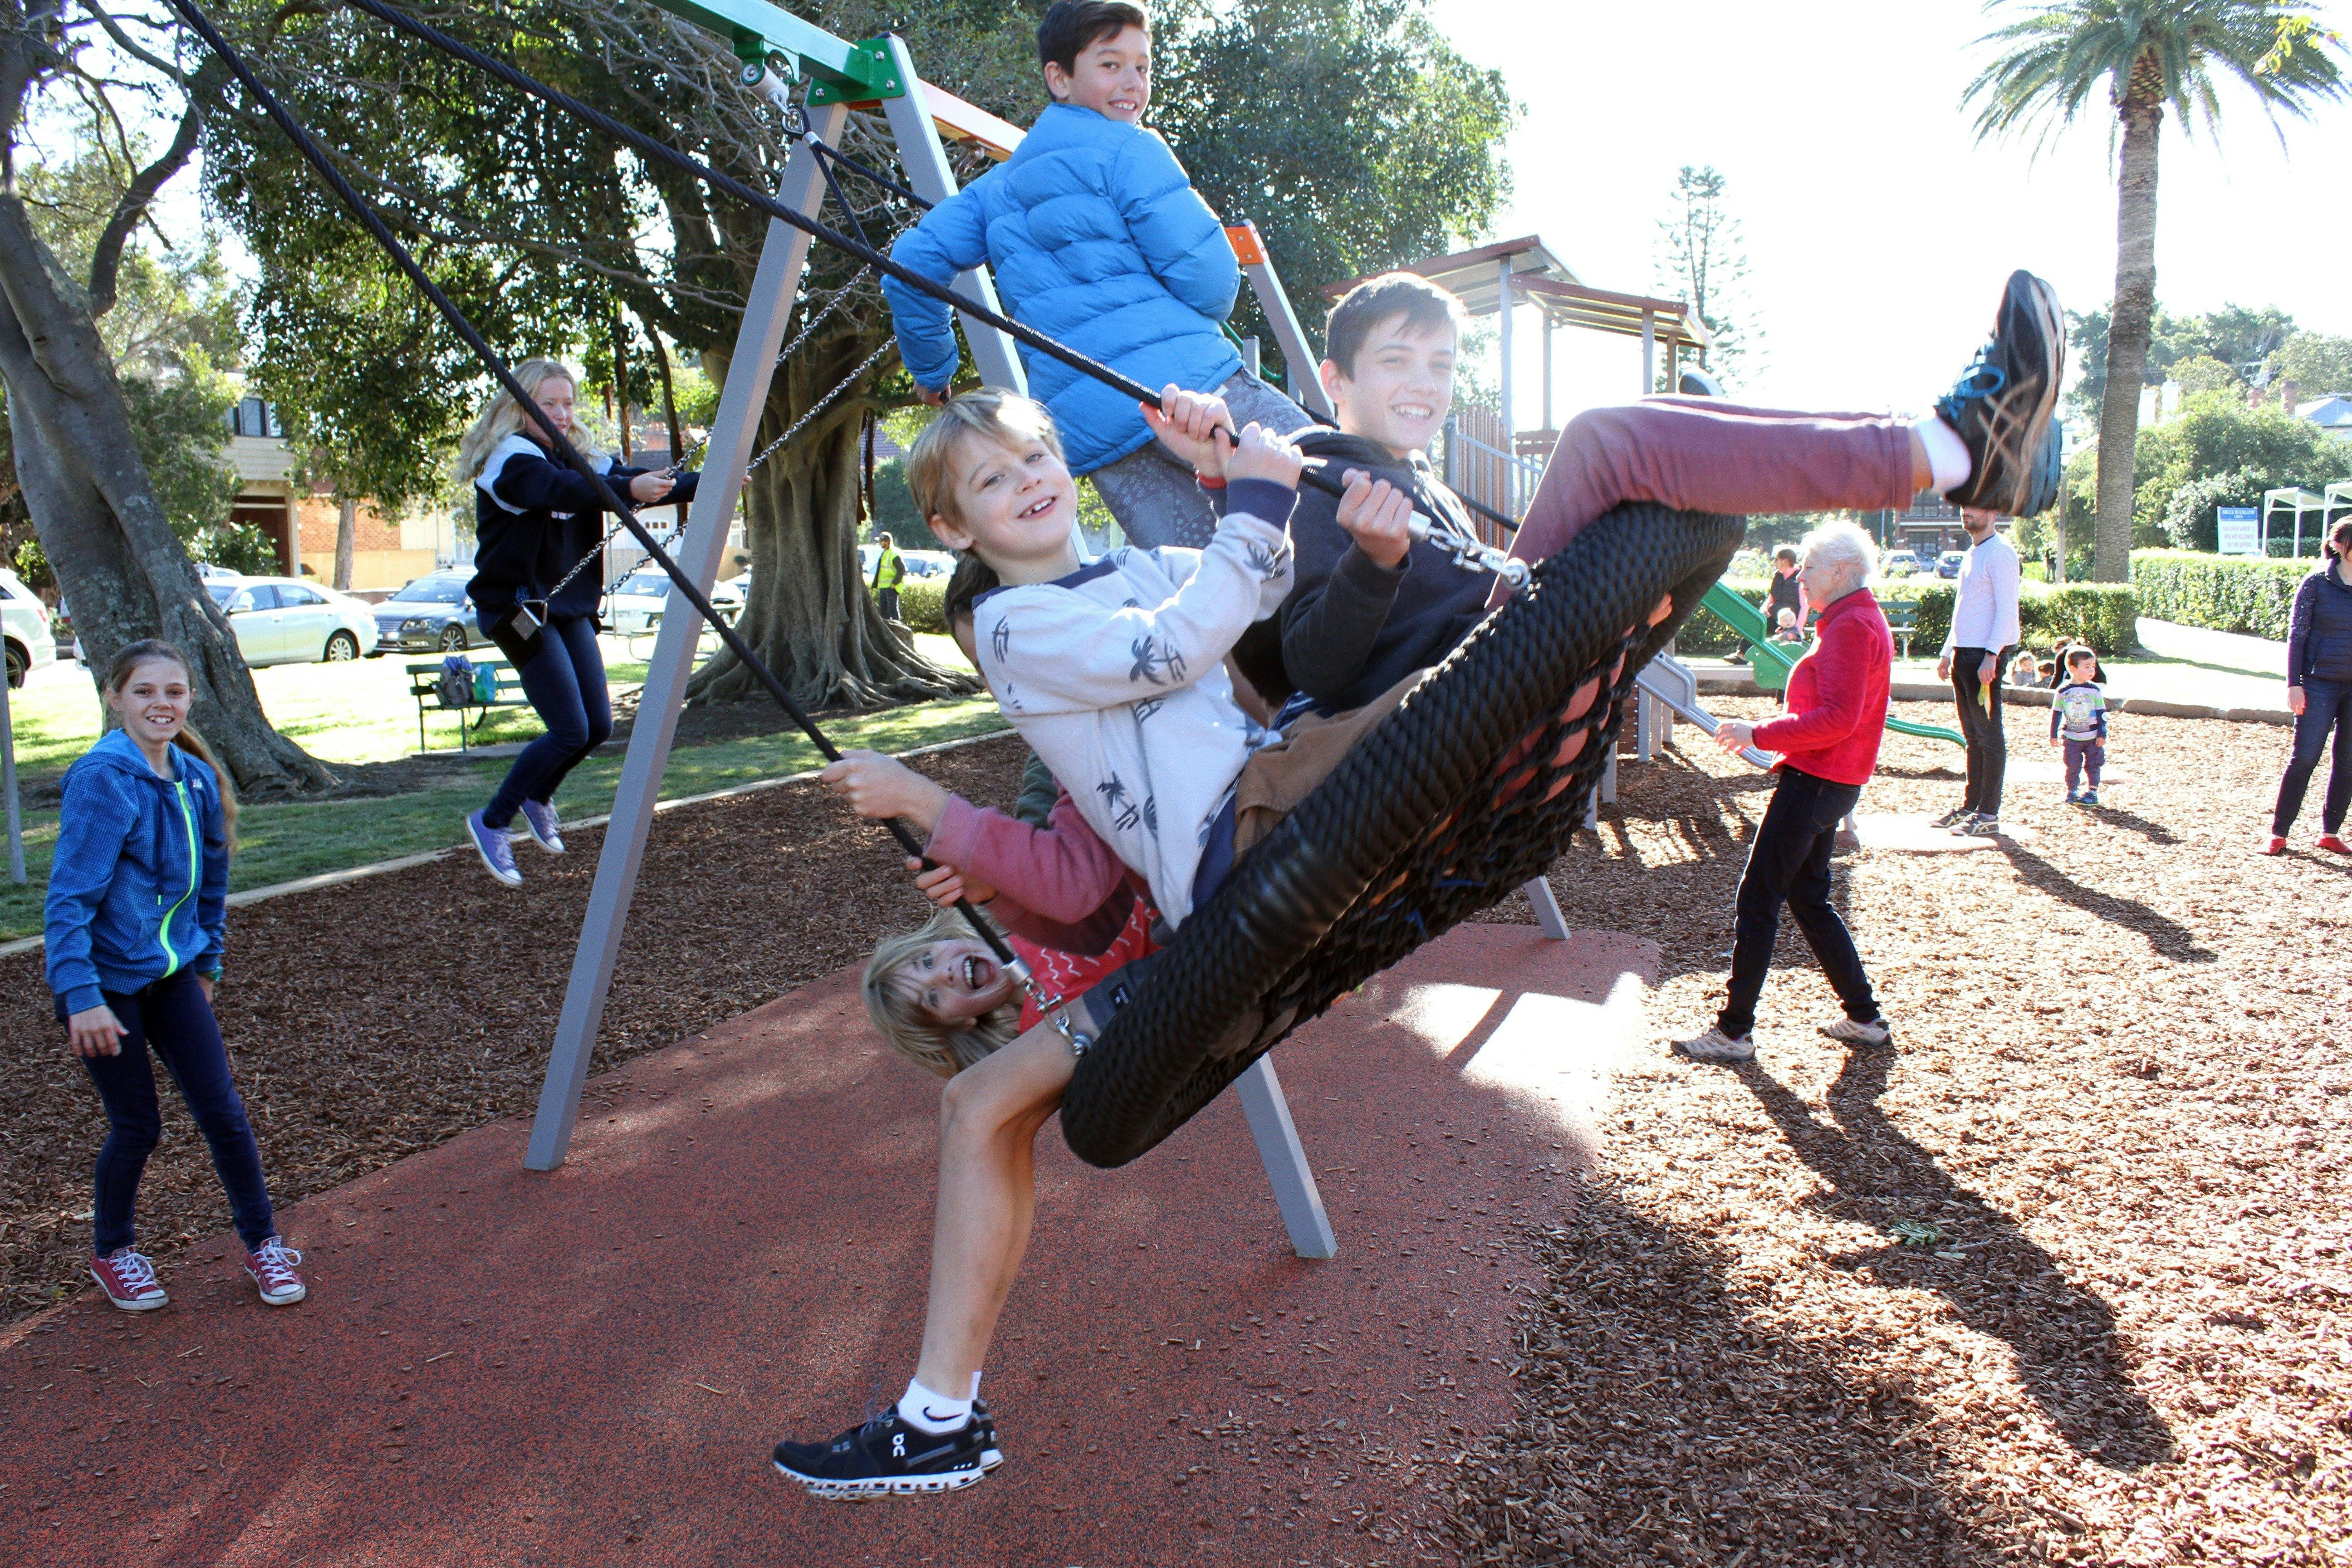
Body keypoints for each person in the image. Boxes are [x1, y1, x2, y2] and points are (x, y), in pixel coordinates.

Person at [770, 385, 1419, 1497]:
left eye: (1035, 456)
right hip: (1218, 876)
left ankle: (938, 1414)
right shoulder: (1029, 632)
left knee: (1448, 706)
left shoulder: (1119, 591)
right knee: (1450, 705)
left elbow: (1238, 601)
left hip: (1214, 869)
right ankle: (937, 1412)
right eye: (992, 475)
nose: (1026, 476)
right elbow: (1161, 670)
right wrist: (947, 823)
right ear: (953, 533)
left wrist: (1227, 484)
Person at [1277, 268, 2066, 722]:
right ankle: (1956, 448)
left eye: (1441, 365)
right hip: (1456, 708)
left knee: (1655, 442)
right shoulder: (1318, 474)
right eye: (1395, 361)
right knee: (1600, 442)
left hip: (1494, 670)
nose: (1424, 384)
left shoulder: (1413, 475)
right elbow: (1311, 670)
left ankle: (1938, 441)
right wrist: (1371, 567)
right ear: (1334, 381)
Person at [881, 0, 1312, 550]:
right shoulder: (1128, 148)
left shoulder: (996, 190)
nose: (1132, 82)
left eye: (1143, 66)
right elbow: (1209, 279)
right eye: (1111, 65)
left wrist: (933, 369)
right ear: (1059, 78)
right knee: (1334, 495)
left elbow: (910, 267)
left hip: (1099, 432)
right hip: (1198, 391)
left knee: (1212, 578)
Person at [44, 641, 308, 1312]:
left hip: (173, 978)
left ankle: (263, 1244)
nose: (161, 704)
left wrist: (208, 962)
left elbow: (211, 887)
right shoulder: (103, 779)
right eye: (144, 693)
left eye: (174, 692)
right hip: (105, 987)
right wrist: (80, 997)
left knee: (223, 1112)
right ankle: (114, 1252)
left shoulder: (193, 777)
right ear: (114, 698)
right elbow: (68, 900)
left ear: (190, 698)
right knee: (138, 1126)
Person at [456, 358, 698, 887]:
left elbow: (630, 481)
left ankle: (539, 795)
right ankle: (493, 820)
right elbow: (558, 490)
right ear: (521, 406)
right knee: (568, 727)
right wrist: (624, 491)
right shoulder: (510, 461)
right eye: (550, 403)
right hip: (517, 609)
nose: (563, 414)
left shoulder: (581, 456)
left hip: (564, 607)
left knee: (599, 726)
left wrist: (708, 483)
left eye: (568, 403)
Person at [1676, 525, 1894, 1063]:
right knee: (1808, 897)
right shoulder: (1854, 618)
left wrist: (1759, 733)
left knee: (1759, 897)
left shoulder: (1850, 626)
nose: (1802, 577)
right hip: (1834, 782)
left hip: (1817, 780)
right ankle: (1865, 1017)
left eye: (1813, 567)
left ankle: (1734, 1032)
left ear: (1842, 571)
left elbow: (1837, 719)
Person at [2264, 516, 2352, 856]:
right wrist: (2293, 684)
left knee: (2347, 761)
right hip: (2318, 685)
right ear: (2340, 546)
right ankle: (2278, 833)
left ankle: (2331, 832)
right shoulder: (2316, 584)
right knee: (2305, 757)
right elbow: (2297, 637)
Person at [1933, 505, 2021, 838]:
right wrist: (1946, 652)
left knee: (1989, 736)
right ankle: (1971, 807)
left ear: (1993, 512)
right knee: (1973, 737)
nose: (1967, 512)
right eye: (1964, 507)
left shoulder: (2000, 554)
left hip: (1984, 659)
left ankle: (1988, 813)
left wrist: (1992, 655)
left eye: (1976, 507)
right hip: (1963, 656)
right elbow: (1964, 608)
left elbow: (2007, 610)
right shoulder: (1973, 553)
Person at [2048, 644, 2109, 808]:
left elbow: (2102, 713)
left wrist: (2102, 734)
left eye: (2093, 667)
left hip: (2092, 737)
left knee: (2094, 765)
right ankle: (2072, 791)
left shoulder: (2094, 691)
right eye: (2087, 667)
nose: (2092, 671)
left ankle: (2092, 793)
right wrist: (2053, 734)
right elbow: (2057, 714)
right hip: (2072, 738)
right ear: (2073, 669)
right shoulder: (2063, 692)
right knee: (2072, 766)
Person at [1766, 545, 1808, 639]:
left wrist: (1797, 630)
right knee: (1755, 626)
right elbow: (1772, 598)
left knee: (1783, 636)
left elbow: (1805, 606)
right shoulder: (1778, 576)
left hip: (1790, 623)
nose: (1775, 562)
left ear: (1785, 561)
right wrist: (1763, 611)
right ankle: (1741, 653)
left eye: (1776, 559)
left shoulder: (1799, 578)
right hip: (1775, 619)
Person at [873, 531, 907, 622]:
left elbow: (902, 569)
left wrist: (894, 583)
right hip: (884, 587)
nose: (880, 543)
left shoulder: (894, 554)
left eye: (882, 541)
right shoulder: (885, 553)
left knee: (893, 611)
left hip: (891, 587)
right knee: (883, 612)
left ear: (887, 542)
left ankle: (898, 630)